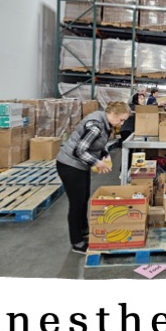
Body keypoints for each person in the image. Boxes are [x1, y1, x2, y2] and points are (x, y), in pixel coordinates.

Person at [55, 101, 130, 254]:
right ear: (113, 114)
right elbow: (79, 151)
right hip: (70, 165)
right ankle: (77, 242)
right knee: (76, 204)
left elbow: (98, 144)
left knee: (83, 199)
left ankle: (84, 232)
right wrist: (98, 163)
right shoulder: (95, 126)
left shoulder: (104, 123)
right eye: (121, 119)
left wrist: (104, 154)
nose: (121, 123)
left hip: (80, 166)